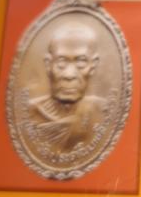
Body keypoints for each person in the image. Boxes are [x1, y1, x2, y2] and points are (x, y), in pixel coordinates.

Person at [28, 21, 108, 153]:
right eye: (62, 62)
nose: (69, 75)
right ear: (48, 64)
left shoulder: (102, 111)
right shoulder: (30, 112)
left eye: (81, 62)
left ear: (93, 66)